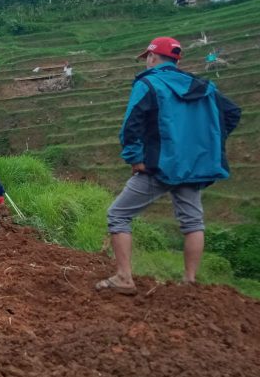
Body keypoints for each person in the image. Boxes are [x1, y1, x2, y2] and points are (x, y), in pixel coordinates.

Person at [97, 36, 241, 295]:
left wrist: (135, 158)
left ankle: (123, 278)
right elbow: (232, 113)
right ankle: (190, 281)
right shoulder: (202, 86)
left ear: (152, 57)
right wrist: (205, 145)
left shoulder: (149, 83)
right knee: (193, 222)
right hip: (193, 167)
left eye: (147, 58)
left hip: (159, 167)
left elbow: (131, 127)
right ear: (176, 60)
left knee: (118, 215)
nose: (146, 62)